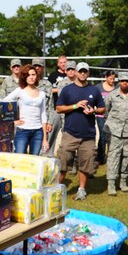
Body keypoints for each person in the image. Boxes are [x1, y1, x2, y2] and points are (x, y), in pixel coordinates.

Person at [55, 62, 105, 201]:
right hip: (70, 133)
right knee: (63, 161)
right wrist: (75, 106)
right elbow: (59, 108)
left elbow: (102, 108)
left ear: (88, 73)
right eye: (80, 71)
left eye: (85, 71)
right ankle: (57, 188)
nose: (83, 74)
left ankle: (81, 189)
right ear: (76, 73)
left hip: (88, 135)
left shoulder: (94, 90)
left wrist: (93, 110)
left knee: (85, 163)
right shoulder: (67, 90)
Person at [103, 71, 128, 196]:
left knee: (126, 157)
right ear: (119, 82)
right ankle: (111, 183)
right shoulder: (112, 96)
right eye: (122, 81)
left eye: (127, 81)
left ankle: (123, 181)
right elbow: (106, 111)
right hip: (115, 131)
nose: (125, 83)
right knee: (113, 157)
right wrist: (112, 124)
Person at [4, 64, 49, 155]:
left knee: (34, 160)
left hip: (38, 132)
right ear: (24, 77)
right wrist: (13, 120)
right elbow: (4, 103)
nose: (31, 77)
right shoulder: (19, 91)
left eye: (33, 75)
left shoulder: (42, 94)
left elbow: (43, 114)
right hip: (22, 131)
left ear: (37, 76)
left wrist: (45, 138)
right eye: (28, 75)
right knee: (19, 158)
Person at [32, 58, 56, 155]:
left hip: (43, 122)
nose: (37, 68)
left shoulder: (47, 85)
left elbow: (50, 104)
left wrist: (50, 122)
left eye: (39, 66)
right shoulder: (26, 83)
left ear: (43, 68)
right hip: (29, 120)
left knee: (41, 150)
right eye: (35, 66)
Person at [95, 70, 117, 165]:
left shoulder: (117, 88)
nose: (112, 81)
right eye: (110, 78)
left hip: (112, 116)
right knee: (103, 135)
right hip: (100, 115)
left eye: (114, 79)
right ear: (106, 77)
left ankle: (111, 156)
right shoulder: (98, 87)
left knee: (111, 137)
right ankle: (100, 157)